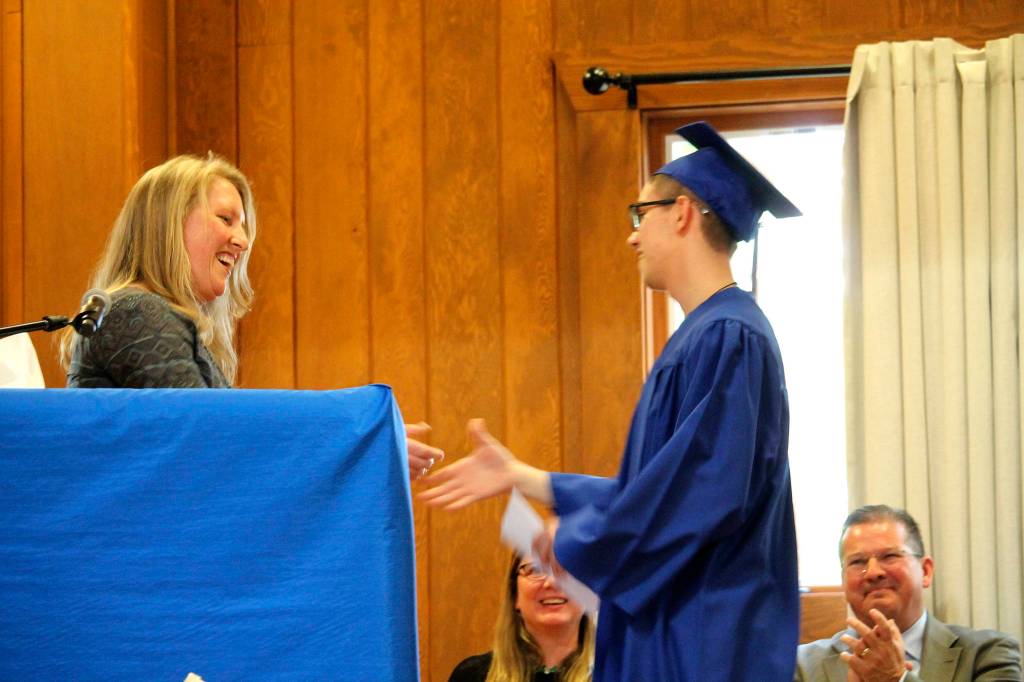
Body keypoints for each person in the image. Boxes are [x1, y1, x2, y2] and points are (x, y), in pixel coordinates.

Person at [422, 121, 801, 680]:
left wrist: (577, 539)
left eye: (640, 214)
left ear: (682, 213)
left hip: (704, 638)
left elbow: (700, 494)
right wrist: (525, 478)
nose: (632, 237)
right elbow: (654, 490)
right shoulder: (706, 334)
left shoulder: (728, 336)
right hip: (683, 630)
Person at [60, 153, 442, 478]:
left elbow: (229, 435)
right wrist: (355, 442)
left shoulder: (153, 314)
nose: (243, 241)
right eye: (226, 219)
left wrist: (361, 444)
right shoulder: (135, 311)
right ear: (168, 224)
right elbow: (213, 436)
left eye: (242, 226)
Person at [795, 505, 1022, 682]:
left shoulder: (987, 653)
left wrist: (896, 678)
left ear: (925, 571)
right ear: (844, 580)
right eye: (858, 562)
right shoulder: (801, 666)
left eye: (889, 556)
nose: (873, 572)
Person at [449, 552, 594, 682]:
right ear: (515, 595)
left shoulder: (606, 674)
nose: (552, 582)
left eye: (567, 569)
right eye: (536, 570)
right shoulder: (471, 676)